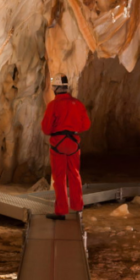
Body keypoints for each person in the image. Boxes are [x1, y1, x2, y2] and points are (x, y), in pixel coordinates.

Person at [41, 73, 91, 220]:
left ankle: (61, 211)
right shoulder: (77, 104)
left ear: (55, 88)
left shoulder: (53, 105)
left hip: (58, 144)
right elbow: (86, 125)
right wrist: (73, 129)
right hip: (74, 143)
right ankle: (77, 207)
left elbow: (46, 129)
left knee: (60, 178)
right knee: (75, 175)